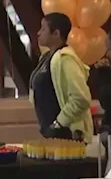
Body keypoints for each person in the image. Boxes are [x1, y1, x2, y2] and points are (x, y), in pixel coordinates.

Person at [31, 13, 93, 141]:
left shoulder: (66, 59)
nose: (38, 33)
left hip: (66, 134)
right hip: (50, 132)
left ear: (56, 33)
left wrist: (59, 123)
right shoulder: (46, 57)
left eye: (43, 29)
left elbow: (81, 98)